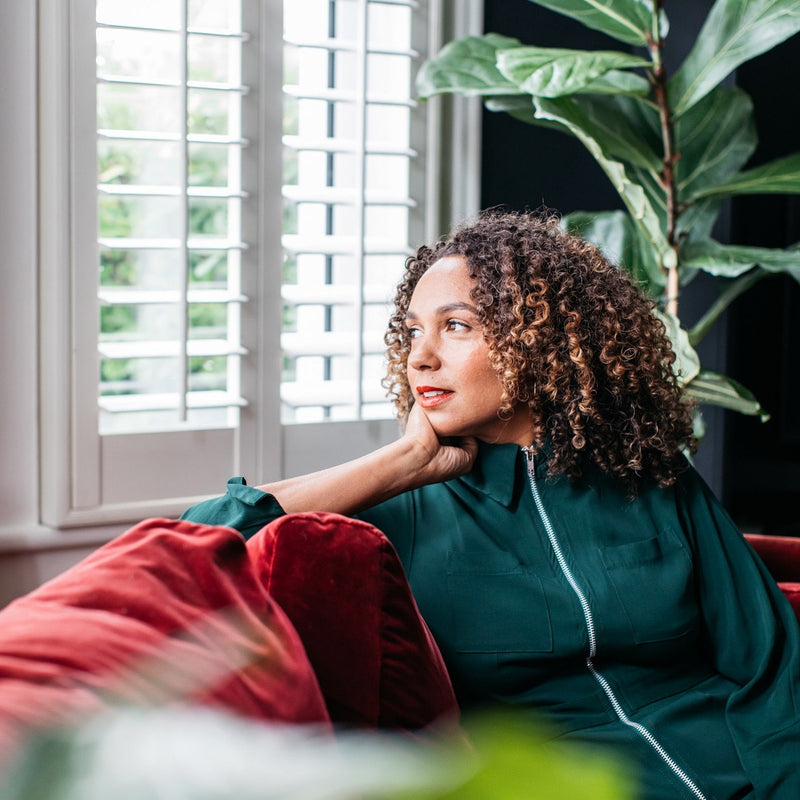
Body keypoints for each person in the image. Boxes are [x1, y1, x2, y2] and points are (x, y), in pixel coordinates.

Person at [181, 208, 800, 800]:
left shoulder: (652, 480)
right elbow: (190, 548)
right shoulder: (400, 509)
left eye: (456, 326)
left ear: (541, 340)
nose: (421, 355)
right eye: (412, 331)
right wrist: (399, 464)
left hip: (732, 765)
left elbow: (770, 664)